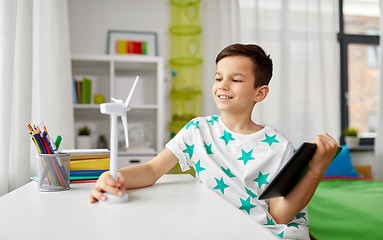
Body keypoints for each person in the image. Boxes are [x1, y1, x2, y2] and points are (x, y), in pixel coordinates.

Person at [89, 43, 339, 239]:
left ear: (259, 93)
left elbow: (280, 215)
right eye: (219, 78)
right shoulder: (197, 129)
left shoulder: (278, 145)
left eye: (236, 80)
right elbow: (151, 170)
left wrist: (316, 169)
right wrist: (113, 177)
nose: (223, 86)